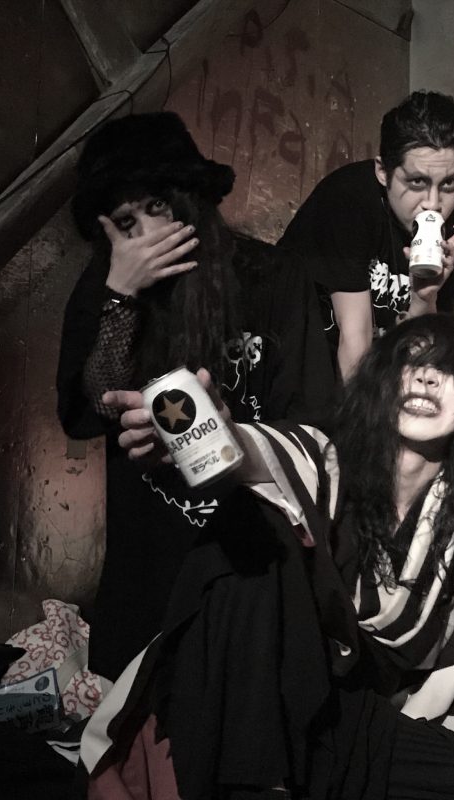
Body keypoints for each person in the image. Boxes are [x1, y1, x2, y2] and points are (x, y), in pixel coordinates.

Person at [77, 315, 454, 800]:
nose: (425, 376)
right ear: (380, 383)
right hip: (264, 691)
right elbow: (260, 455)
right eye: (408, 361)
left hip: (357, 723)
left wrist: (451, 756)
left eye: (449, 367)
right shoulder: (323, 457)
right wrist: (216, 434)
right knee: (258, 527)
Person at [56, 111, 335, 682]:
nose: (145, 235)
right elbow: (92, 409)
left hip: (252, 558)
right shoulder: (107, 286)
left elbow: (314, 422)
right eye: (126, 221)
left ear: (190, 198)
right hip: (149, 566)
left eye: (157, 206)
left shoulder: (272, 276)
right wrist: (120, 297)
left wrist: (234, 437)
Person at [278, 90, 454, 380]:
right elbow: (354, 341)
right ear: (383, 171)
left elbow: (420, 348)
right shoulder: (350, 200)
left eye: (449, 184)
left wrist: (424, 298)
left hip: (378, 371)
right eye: (417, 181)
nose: (433, 203)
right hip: (296, 363)